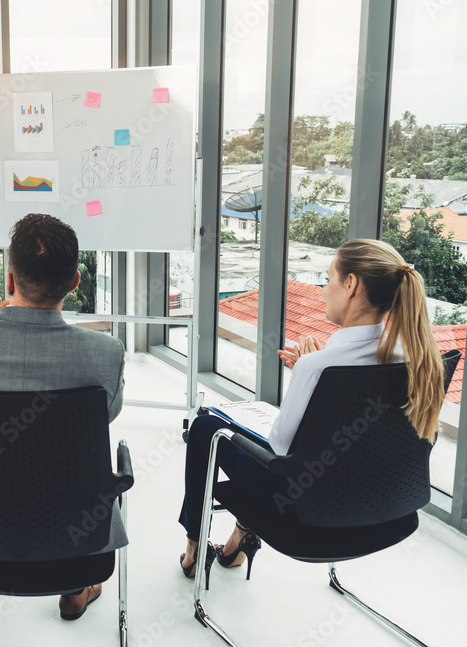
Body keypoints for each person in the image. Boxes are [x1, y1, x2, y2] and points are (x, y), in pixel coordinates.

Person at [177, 239, 445, 582]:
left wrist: (308, 372)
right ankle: (239, 538)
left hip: (304, 515)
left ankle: (194, 548)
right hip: (388, 508)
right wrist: (312, 375)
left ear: (351, 285)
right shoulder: (420, 361)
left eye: (328, 278)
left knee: (205, 427)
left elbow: (279, 451)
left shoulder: (319, 367)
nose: (322, 290)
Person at [0, 213, 125, 621]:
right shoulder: (106, 353)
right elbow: (106, 417)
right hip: (77, 550)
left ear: (9, 281)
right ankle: (75, 588)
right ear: (74, 282)